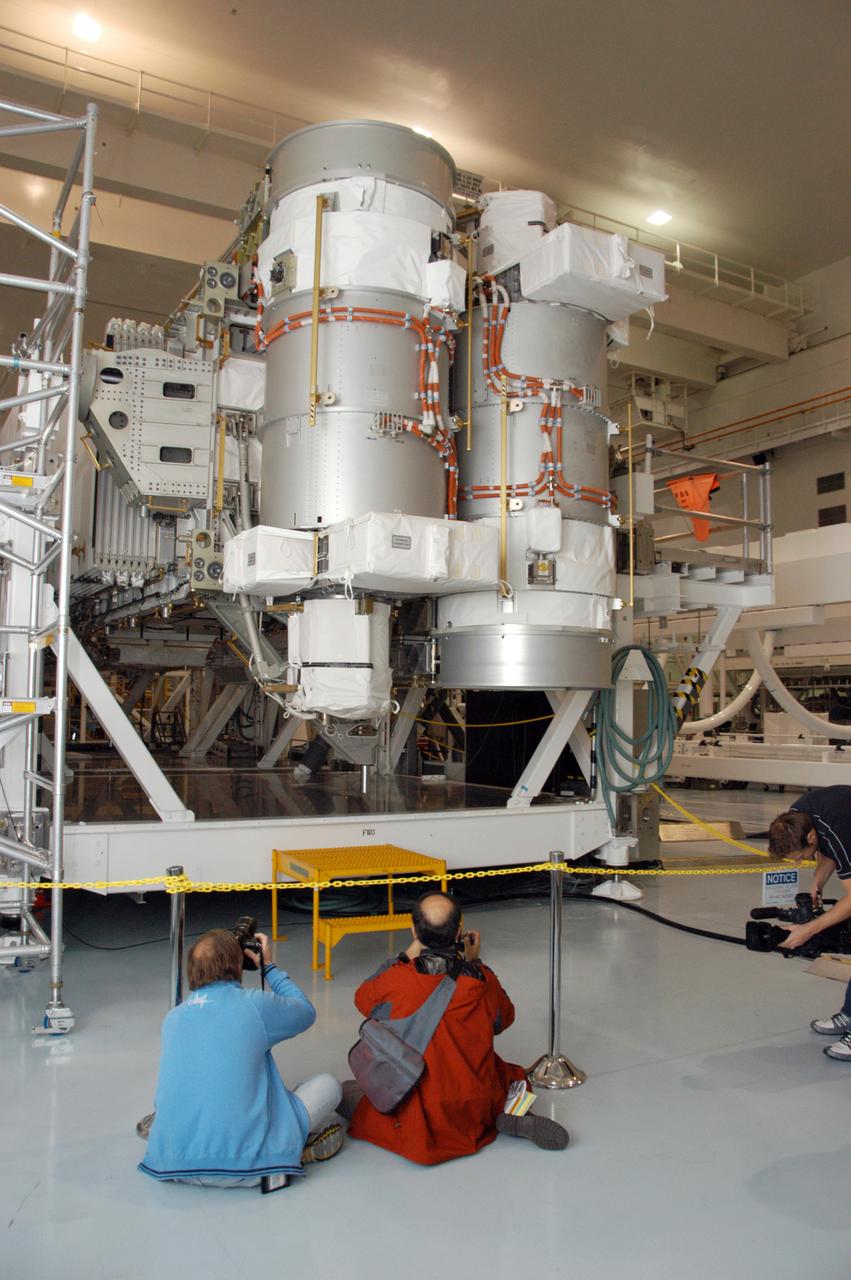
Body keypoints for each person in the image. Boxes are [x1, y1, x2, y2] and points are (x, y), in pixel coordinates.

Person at [344, 891, 569, 1164]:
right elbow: (504, 1019)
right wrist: (475, 961)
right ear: (459, 932)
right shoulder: (481, 979)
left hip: (417, 1106)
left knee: (346, 1093)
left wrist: (406, 954)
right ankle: (507, 1113)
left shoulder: (398, 979)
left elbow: (363, 1000)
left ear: (414, 930)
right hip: (475, 1099)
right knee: (504, 1075)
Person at [139, 928, 344, 1186]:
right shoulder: (253, 1005)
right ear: (238, 964)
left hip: (173, 1166)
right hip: (250, 1168)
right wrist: (268, 966)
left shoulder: (173, 1017)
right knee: (328, 1085)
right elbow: (305, 1011)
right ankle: (288, 1152)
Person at [769, 785, 851, 1062]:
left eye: (801, 856)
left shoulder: (840, 826)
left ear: (810, 837)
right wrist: (818, 881)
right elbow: (827, 847)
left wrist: (809, 929)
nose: (801, 860)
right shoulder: (797, 816)